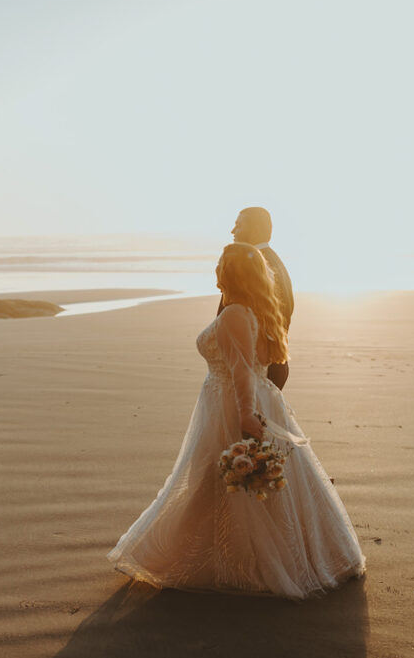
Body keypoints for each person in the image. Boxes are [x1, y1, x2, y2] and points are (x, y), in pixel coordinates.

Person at [107, 243, 365, 599]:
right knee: (230, 482)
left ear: (228, 273)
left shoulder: (234, 315)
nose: (215, 270)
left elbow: (242, 371)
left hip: (230, 404)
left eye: (219, 264)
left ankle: (177, 555)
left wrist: (245, 414)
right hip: (249, 399)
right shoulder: (256, 310)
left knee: (210, 477)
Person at [218, 207, 294, 390]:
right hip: (270, 368)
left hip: (256, 372)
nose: (233, 231)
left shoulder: (255, 266)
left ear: (256, 229)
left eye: (239, 225)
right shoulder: (273, 261)